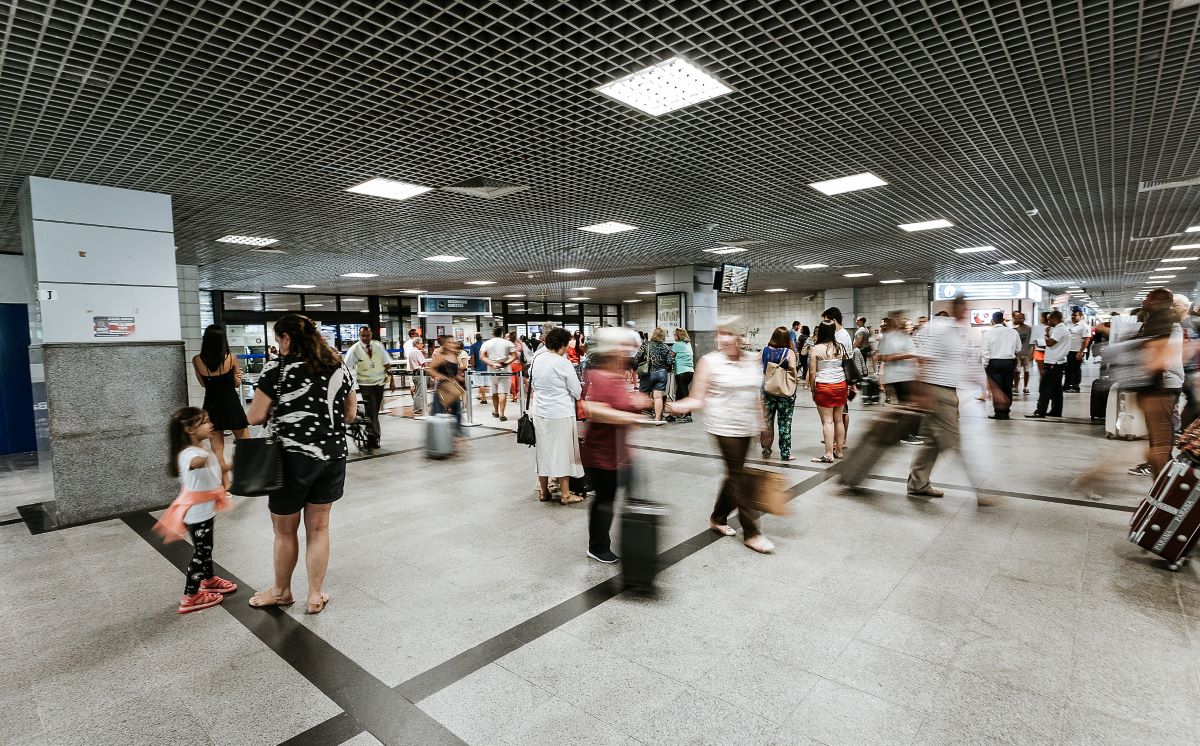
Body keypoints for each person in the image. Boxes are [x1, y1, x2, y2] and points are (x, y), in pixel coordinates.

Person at [246, 314, 355, 614]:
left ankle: (281, 592)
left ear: (287, 338)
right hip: (332, 456)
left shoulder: (277, 368)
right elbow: (350, 414)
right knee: (319, 528)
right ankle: (315, 595)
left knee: (285, 531)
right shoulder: (338, 365)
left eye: (278, 339)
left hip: (288, 460)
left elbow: (255, 417)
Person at [669, 317, 772, 554]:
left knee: (733, 473)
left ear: (739, 337)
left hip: (746, 426)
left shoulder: (751, 360)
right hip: (723, 425)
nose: (723, 338)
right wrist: (678, 405)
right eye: (720, 333)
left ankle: (717, 517)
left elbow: (755, 394)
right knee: (739, 476)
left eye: (728, 333)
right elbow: (698, 397)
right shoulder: (709, 362)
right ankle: (752, 533)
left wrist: (763, 423)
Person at [907, 296, 994, 505]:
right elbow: (923, 360)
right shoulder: (940, 329)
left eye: (966, 307)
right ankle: (981, 491)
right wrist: (922, 394)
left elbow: (963, 366)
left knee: (931, 443)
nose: (965, 311)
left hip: (948, 393)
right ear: (953, 307)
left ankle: (917, 484)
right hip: (938, 395)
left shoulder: (956, 333)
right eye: (962, 307)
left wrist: (989, 386)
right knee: (956, 443)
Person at [579, 329, 654, 562]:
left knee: (625, 497)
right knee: (605, 500)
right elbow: (596, 410)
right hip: (601, 454)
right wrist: (630, 416)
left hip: (620, 452)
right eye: (621, 345)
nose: (626, 350)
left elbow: (621, 404)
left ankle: (633, 541)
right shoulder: (599, 375)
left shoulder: (617, 375)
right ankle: (598, 546)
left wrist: (637, 402)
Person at [156, 407, 236, 613]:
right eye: (204, 422)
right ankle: (190, 595)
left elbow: (214, 470)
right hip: (196, 514)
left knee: (206, 548)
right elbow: (195, 464)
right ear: (190, 429)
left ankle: (208, 580)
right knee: (201, 552)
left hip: (205, 511)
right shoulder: (188, 454)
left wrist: (232, 465)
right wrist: (205, 458)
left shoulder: (200, 450)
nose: (211, 425)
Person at [1132, 289, 1185, 477]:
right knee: (1158, 437)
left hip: (1162, 387)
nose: (1144, 301)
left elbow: (1156, 355)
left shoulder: (1163, 321)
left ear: (1154, 300)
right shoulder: (1161, 320)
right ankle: (1159, 474)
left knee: (1161, 440)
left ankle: (1163, 483)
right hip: (1159, 386)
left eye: (1146, 297)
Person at [530, 327, 586, 504]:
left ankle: (544, 491)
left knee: (543, 450)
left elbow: (532, 383)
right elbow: (576, 391)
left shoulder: (536, 359)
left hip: (540, 412)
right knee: (563, 451)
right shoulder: (563, 362)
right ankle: (565, 494)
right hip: (560, 412)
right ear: (562, 344)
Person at [192, 325, 250, 488]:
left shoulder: (197, 360)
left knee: (217, 448)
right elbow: (237, 383)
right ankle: (245, 479)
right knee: (245, 442)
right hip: (231, 404)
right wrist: (239, 376)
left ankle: (225, 485)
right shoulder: (231, 358)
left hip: (211, 406)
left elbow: (204, 384)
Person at [877, 312, 923, 445]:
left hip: (907, 374)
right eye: (898, 318)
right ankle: (903, 434)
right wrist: (907, 355)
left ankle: (910, 431)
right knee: (905, 404)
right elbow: (884, 357)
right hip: (897, 376)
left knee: (909, 404)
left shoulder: (903, 336)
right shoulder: (888, 337)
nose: (901, 321)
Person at [344, 325, 392, 449]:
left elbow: (386, 363)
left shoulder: (378, 346)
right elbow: (346, 366)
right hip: (365, 385)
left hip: (379, 383)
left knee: (374, 412)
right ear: (359, 336)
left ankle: (371, 434)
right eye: (362, 335)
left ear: (371, 335)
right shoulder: (355, 349)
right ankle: (374, 437)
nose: (365, 338)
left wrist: (392, 380)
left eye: (367, 335)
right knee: (372, 411)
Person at [807, 320, 848, 463]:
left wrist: (813, 389)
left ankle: (828, 454)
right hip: (841, 385)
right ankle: (840, 451)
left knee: (827, 422)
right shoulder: (840, 347)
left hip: (824, 386)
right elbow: (846, 365)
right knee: (839, 420)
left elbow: (812, 372)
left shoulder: (816, 349)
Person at [760, 326, 799, 461]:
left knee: (767, 422)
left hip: (768, 391)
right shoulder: (789, 353)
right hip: (785, 393)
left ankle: (766, 449)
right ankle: (785, 453)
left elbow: (761, 369)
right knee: (785, 423)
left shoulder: (764, 350)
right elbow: (793, 369)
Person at [1026, 311, 1069, 419]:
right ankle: (1056, 410)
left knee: (1045, 388)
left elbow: (1050, 343)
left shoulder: (1060, 329)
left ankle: (1040, 411)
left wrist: (1044, 336)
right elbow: (1052, 344)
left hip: (1053, 363)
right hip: (1058, 361)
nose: (1048, 321)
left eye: (1049, 319)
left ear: (1055, 319)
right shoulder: (1060, 328)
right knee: (1056, 389)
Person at [822, 307, 856, 440]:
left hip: (840, 377)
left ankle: (841, 440)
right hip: (839, 376)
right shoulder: (840, 334)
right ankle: (837, 438)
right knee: (839, 412)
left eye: (827, 321)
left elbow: (844, 359)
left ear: (834, 320)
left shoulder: (841, 335)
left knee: (842, 412)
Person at [981, 311, 1021, 420]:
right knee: (1007, 387)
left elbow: (985, 352)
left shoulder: (987, 334)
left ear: (992, 321)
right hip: (1009, 362)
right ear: (1003, 320)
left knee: (997, 388)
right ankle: (1006, 412)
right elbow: (1018, 349)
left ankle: (999, 413)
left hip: (994, 363)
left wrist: (985, 365)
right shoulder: (1013, 332)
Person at [429, 335, 466, 439]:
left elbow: (455, 371)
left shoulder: (455, 356)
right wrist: (440, 376)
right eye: (450, 342)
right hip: (442, 389)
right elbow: (431, 369)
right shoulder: (440, 356)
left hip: (453, 388)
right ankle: (437, 437)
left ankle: (456, 433)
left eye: (453, 342)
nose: (453, 344)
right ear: (445, 344)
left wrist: (458, 376)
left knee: (457, 413)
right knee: (438, 413)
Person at [636, 327, 674, 422]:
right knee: (658, 397)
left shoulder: (646, 345)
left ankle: (640, 417)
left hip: (648, 373)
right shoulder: (666, 347)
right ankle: (657, 419)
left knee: (642, 395)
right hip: (661, 374)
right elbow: (669, 362)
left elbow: (636, 358)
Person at [480, 326, 516, 421]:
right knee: (503, 391)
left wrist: (493, 364)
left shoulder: (487, 343)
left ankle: (496, 412)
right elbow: (513, 356)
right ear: (502, 334)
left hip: (492, 369)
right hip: (505, 369)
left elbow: (482, 356)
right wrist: (504, 363)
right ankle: (502, 414)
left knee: (494, 391)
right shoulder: (508, 343)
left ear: (493, 333)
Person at [1065, 309, 1093, 392]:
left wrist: (1081, 352)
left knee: (1076, 369)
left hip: (1077, 351)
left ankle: (1075, 387)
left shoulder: (1084, 326)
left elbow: (1087, 339)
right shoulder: (1068, 324)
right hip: (1068, 350)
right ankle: (1066, 385)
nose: (1073, 317)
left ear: (1081, 316)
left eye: (1075, 315)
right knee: (1068, 369)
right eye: (1072, 315)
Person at [671, 328, 695, 423]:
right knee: (679, 392)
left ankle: (688, 415)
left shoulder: (677, 344)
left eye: (675, 335)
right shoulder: (688, 344)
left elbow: (671, 357)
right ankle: (673, 413)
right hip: (690, 372)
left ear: (679, 335)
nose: (674, 336)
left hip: (681, 372)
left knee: (684, 393)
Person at [1012, 311, 1033, 395]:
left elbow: (1033, 341)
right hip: (1017, 354)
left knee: (1026, 371)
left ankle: (1026, 387)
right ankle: (1016, 387)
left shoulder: (1029, 329)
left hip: (1027, 354)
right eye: (1018, 318)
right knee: (1017, 371)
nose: (1019, 319)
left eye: (1021, 318)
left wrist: (1032, 353)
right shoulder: (1015, 329)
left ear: (1024, 319)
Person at [469, 333, 488, 403]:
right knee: (483, 384)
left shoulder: (473, 346)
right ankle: (480, 396)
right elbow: (487, 355)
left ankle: (484, 399)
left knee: (481, 384)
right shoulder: (484, 345)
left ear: (475, 338)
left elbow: (472, 356)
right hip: (485, 366)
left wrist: (472, 365)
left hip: (478, 367)